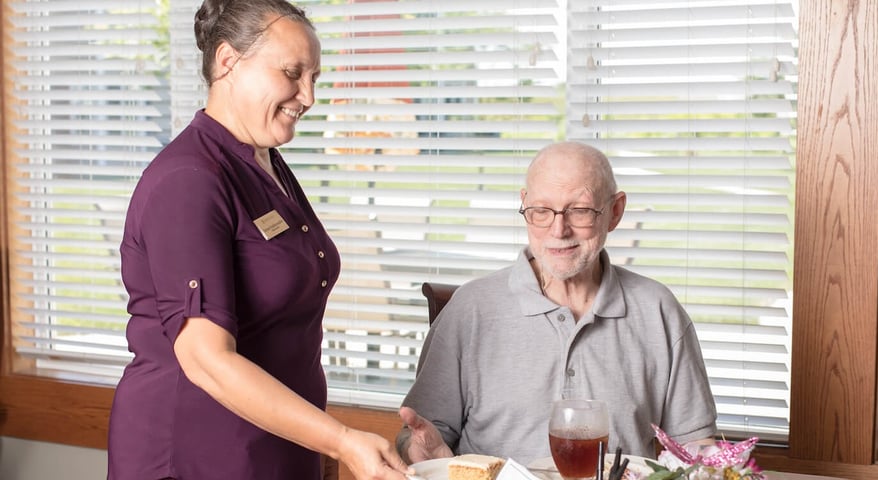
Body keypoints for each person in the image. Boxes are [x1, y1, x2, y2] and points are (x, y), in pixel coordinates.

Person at [106, 1, 414, 479]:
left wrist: (323, 450)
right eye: (293, 72)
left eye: (315, 77)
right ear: (228, 61)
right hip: (196, 455)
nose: (308, 96)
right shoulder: (189, 180)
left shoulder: (265, 163)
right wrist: (341, 440)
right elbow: (206, 360)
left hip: (275, 449)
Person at [396, 141, 718, 465]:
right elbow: (421, 433)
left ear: (614, 212)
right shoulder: (470, 309)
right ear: (525, 205)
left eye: (579, 211)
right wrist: (419, 450)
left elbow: (694, 448)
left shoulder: (659, 311)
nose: (558, 230)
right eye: (541, 211)